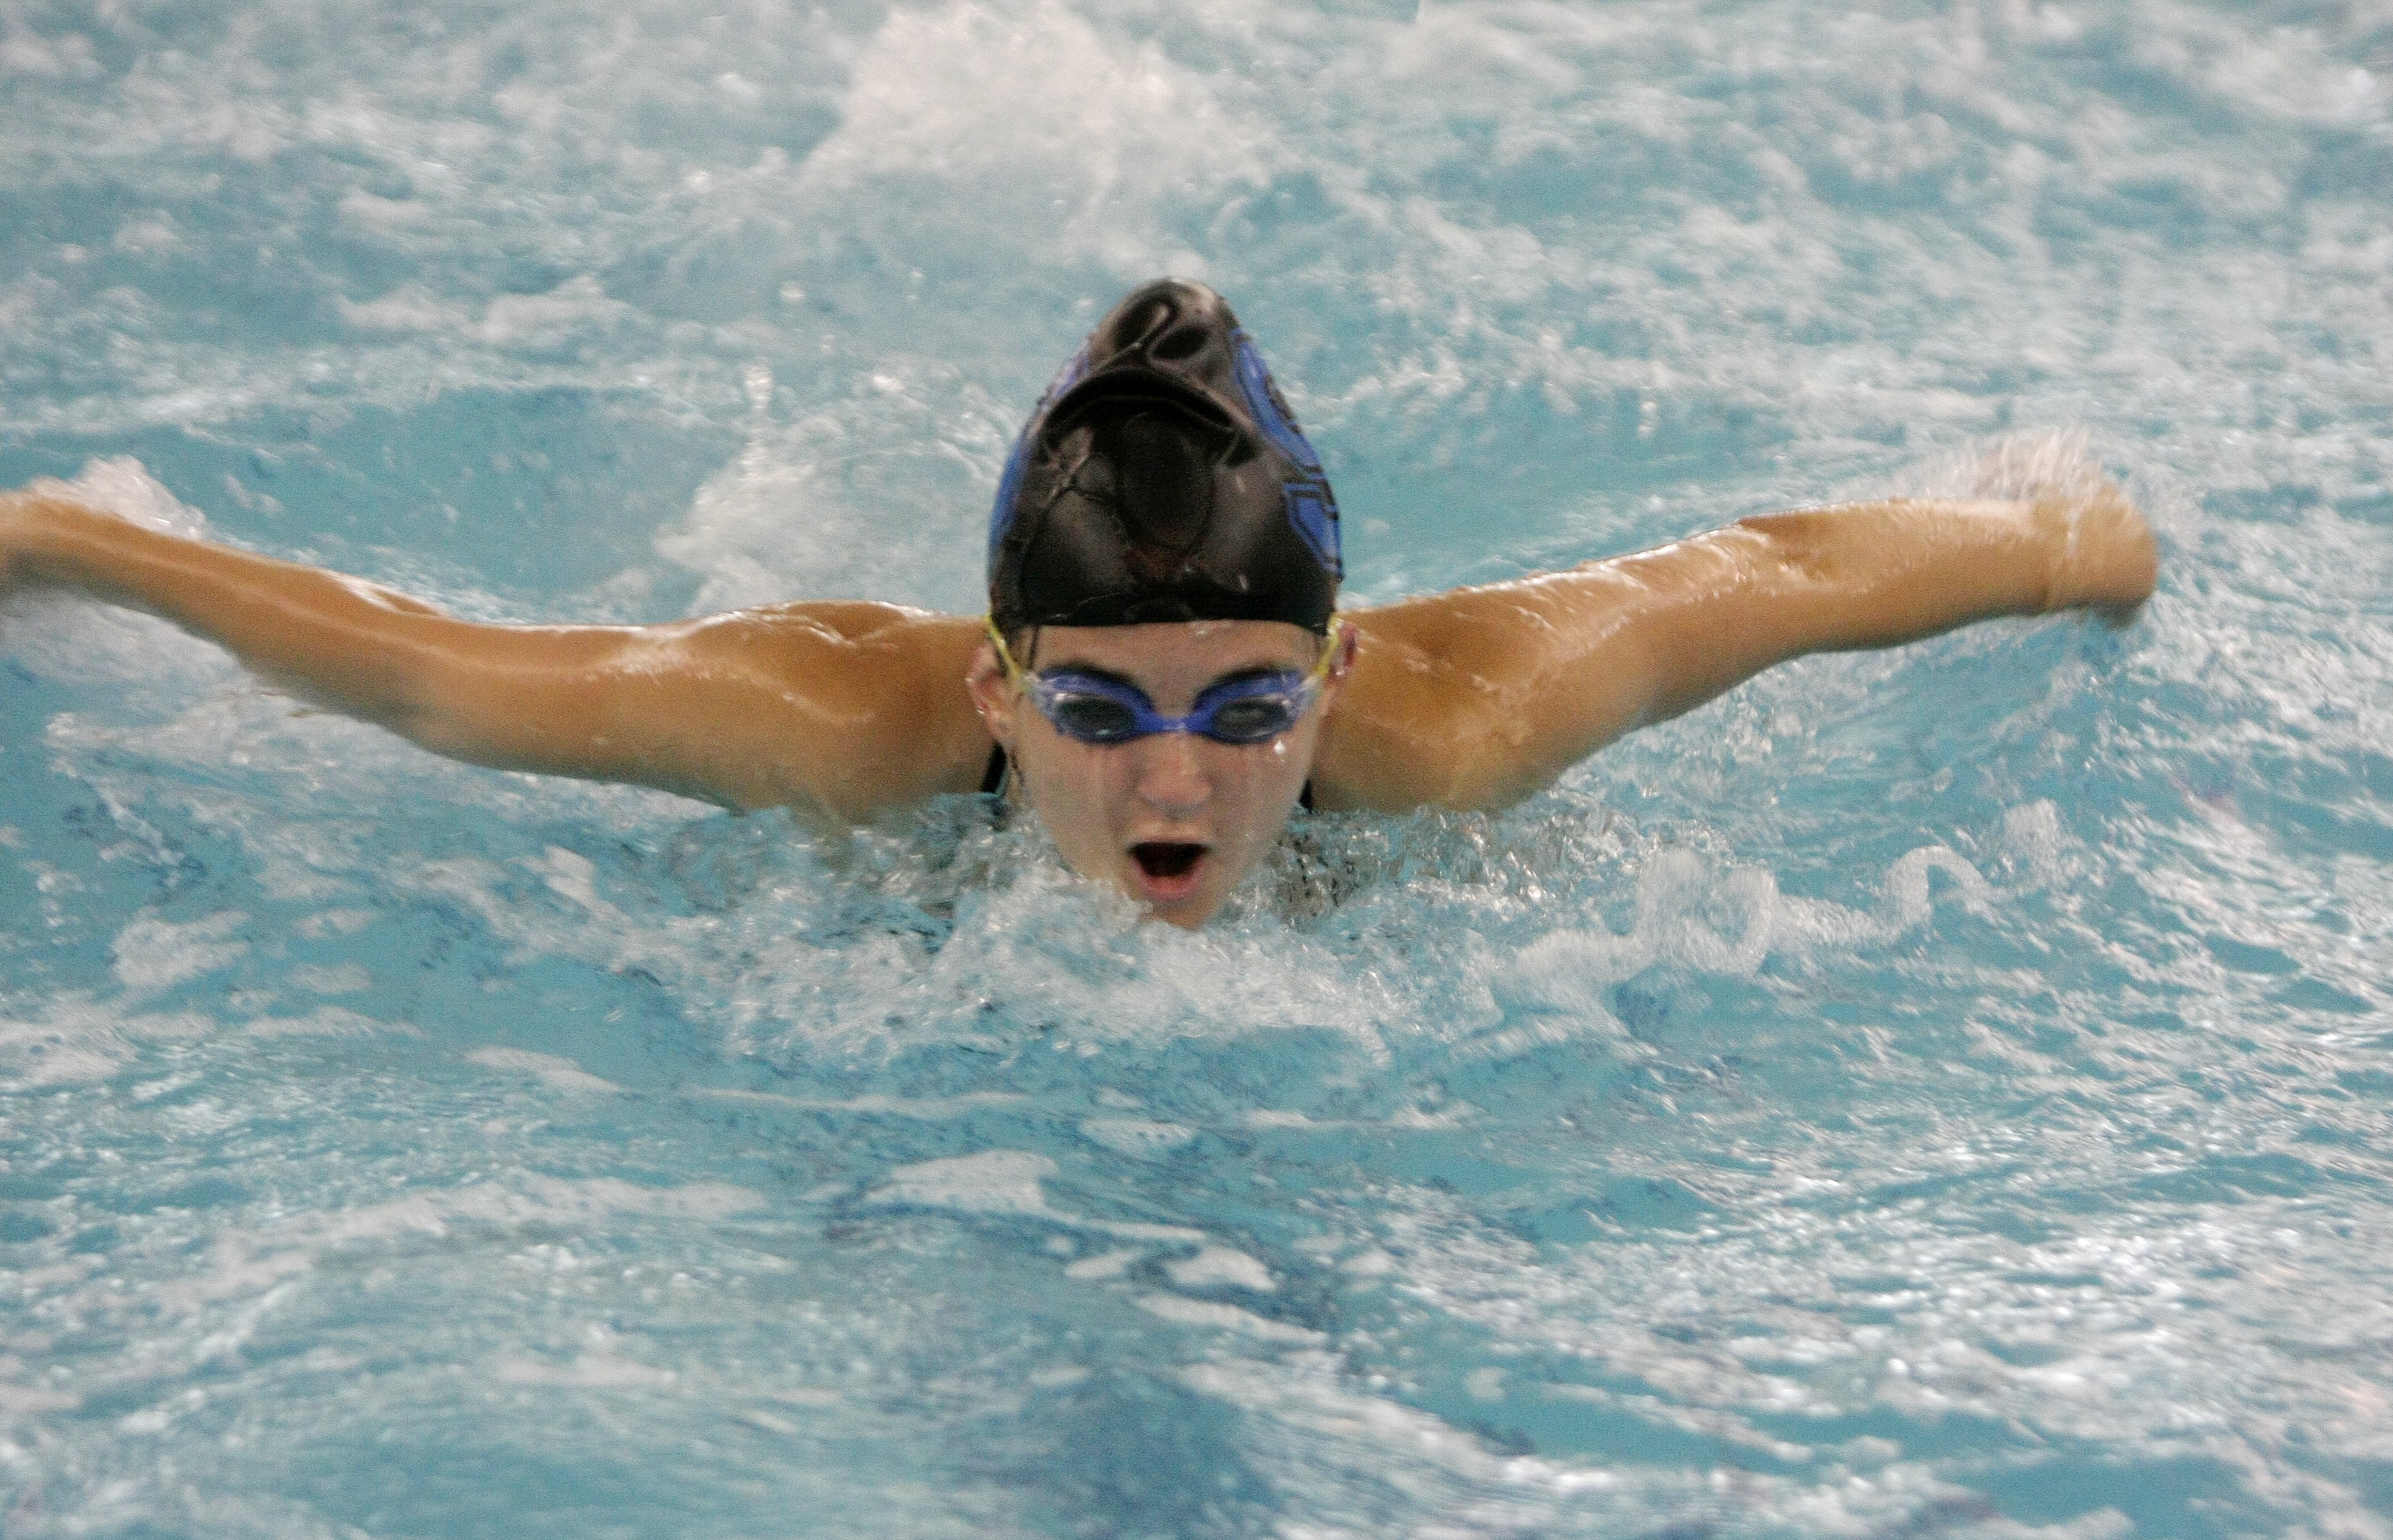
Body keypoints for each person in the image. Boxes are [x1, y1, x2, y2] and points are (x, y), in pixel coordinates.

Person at [0, 279, 2158, 929]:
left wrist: (2062, 539)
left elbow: (1771, 580)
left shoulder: (1461, 717)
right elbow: (433, 677)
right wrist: (71, 542)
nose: (1179, 782)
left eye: (1244, 718)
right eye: (1105, 714)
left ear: (1331, 684)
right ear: (998, 694)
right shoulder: (837, 725)